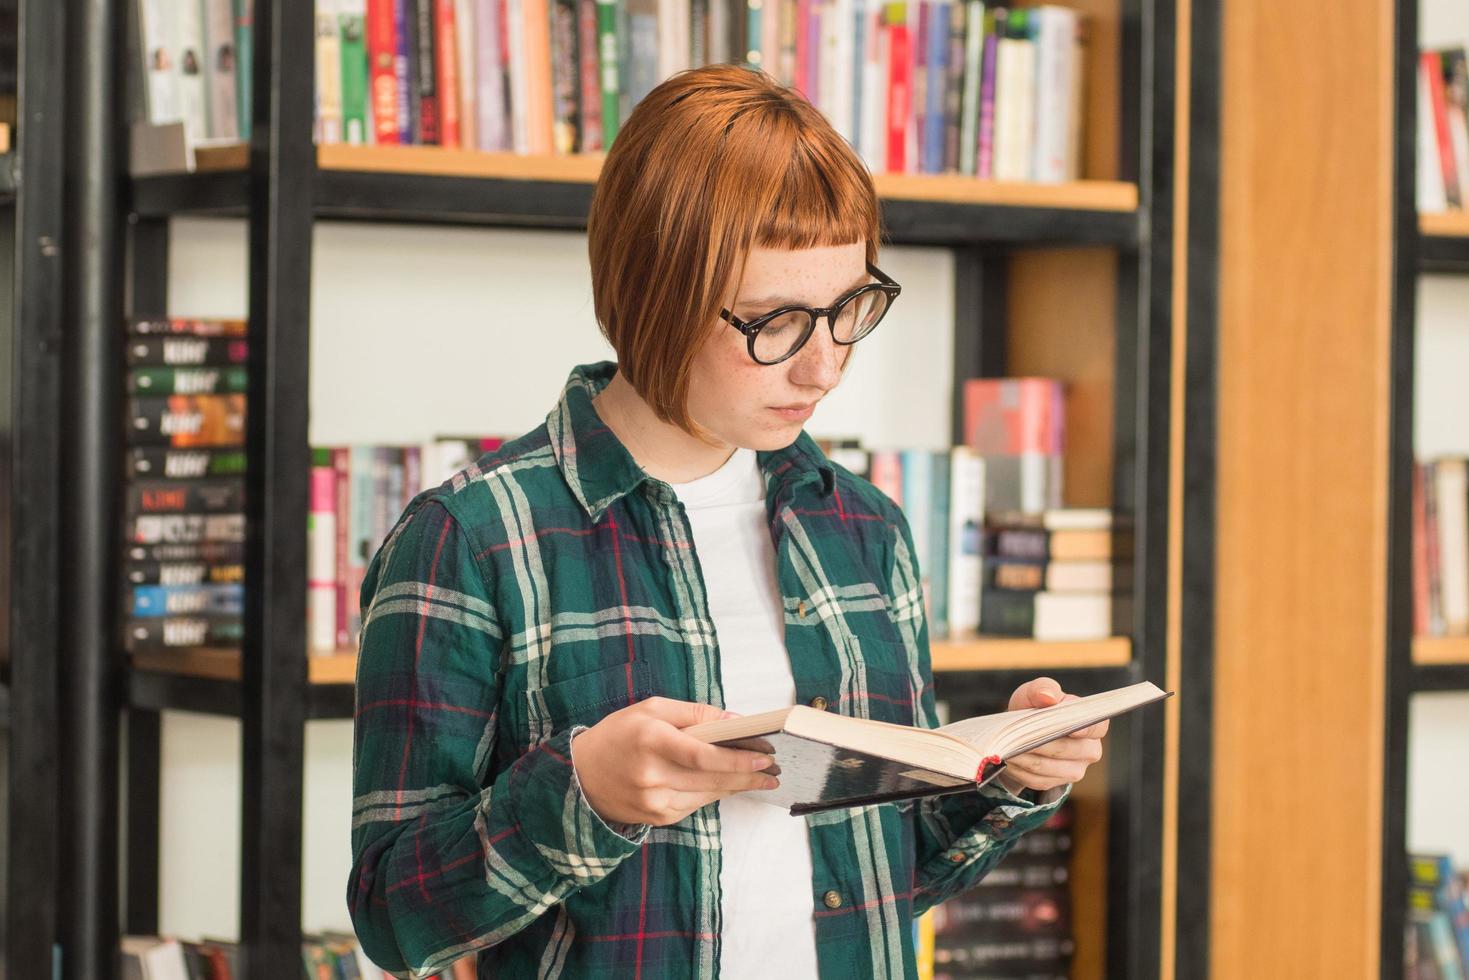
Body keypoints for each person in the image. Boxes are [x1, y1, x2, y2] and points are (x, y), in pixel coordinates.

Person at [347, 63, 1107, 979]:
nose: (822, 370)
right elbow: (396, 921)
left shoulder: (863, 529)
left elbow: (881, 875)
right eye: (774, 321)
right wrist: (582, 793)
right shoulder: (470, 540)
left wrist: (1007, 778)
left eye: (849, 309)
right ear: (653, 294)